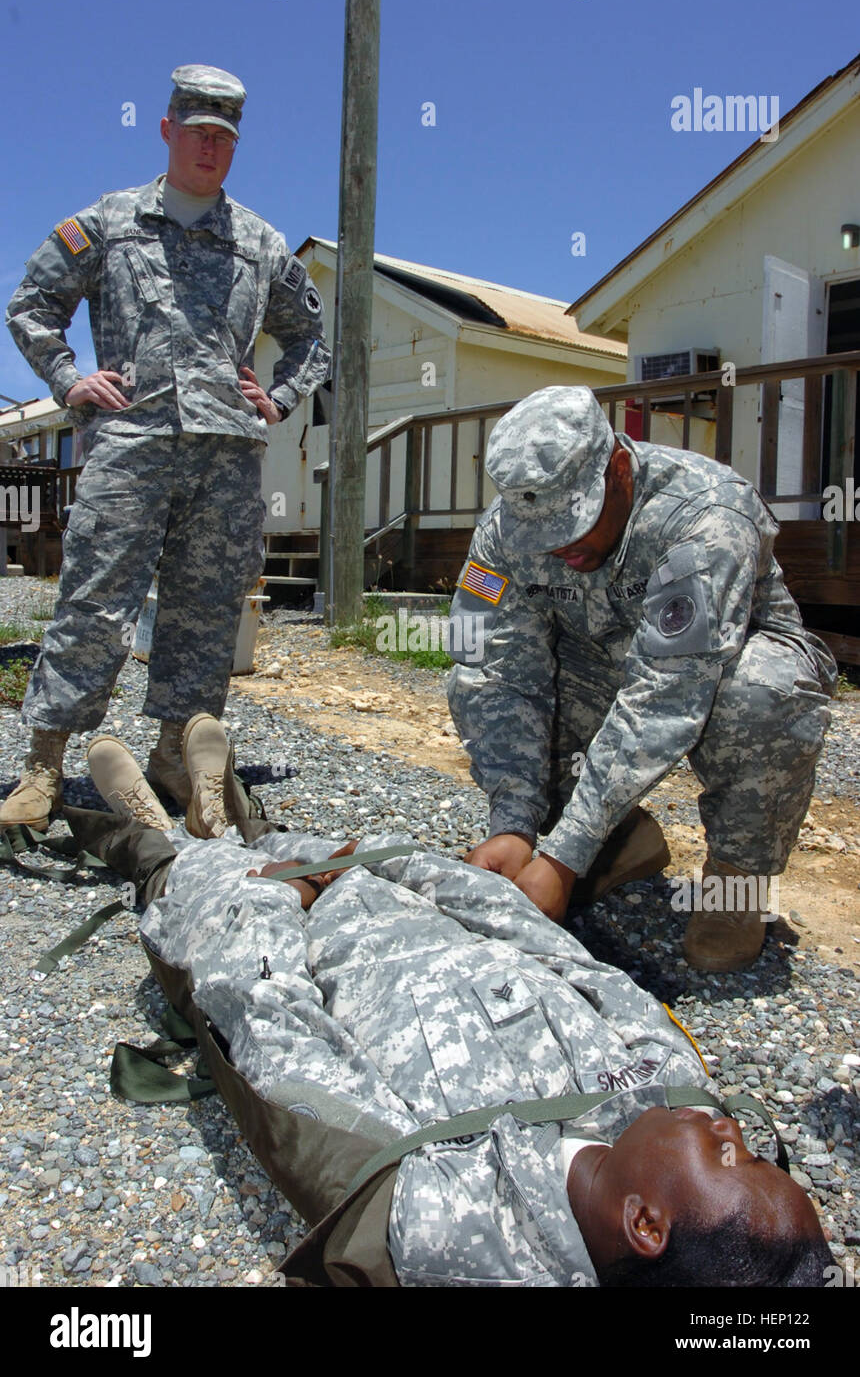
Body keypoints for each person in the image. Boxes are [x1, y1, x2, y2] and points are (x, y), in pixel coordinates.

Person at [66, 718, 833, 1288]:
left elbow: (274, 1033)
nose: (732, 1126)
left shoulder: (452, 1214)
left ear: (644, 1222)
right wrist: (399, 865)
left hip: (289, 938)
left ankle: (160, 837)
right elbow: (552, 951)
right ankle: (231, 814)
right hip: (375, 893)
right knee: (302, 839)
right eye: (755, 1151)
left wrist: (280, 899)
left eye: (730, 1157)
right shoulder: (667, 1088)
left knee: (198, 891)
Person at [1, 64, 331, 831]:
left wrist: (278, 398)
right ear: (166, 130)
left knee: (206, 613)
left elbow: (312, 335)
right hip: (129, 444)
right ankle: (43, 768)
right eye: (198, 133)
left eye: (225, 138)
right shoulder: (112, 222)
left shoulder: (259, 242)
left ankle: (175, 758)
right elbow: (32, 304)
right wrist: (67, 377)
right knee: (93, 602)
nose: (211, 149)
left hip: (225, 458)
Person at [447, 386, 837, 972]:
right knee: (481, 683)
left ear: (621, 468)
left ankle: (737, 883)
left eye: (573, 522)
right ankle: (622, 841)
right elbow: (494, 668)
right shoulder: (502, 530)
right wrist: (515, 823)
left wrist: (563, 857)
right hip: (604, 664)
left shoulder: (706, 513)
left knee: (762, 692)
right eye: (541, 531)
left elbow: (668, 690)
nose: (558, 546)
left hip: (717, 666)